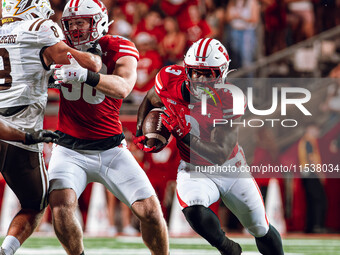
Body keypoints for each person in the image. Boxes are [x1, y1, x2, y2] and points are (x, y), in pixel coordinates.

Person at [134, 38, 284, 255]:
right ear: (187, 70)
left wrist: (183, 134)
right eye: (195, 72)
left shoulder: (230, 97)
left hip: (230, 167)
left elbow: (220, 153)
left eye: (208, 74)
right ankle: (227, 248)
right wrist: (142, 132)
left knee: (259, 227)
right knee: (192, 209)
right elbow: (150, 98)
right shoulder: (169, 79)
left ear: (222, 73)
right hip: (193, 167)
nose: (200, 79)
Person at [49, 1, 169, 254]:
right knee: (60, 206)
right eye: (70, 23)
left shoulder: (119, 46)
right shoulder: (58, 47)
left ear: (98, 21)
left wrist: (87, 76)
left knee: (150, 212)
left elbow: (124, 87)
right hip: (69, 148)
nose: (74, 29)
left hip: (110, 149)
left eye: (81, 22)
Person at [0, 0, 101, 254]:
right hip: (18, 130)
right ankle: (7, 250)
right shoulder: (40, 27)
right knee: (35, 203)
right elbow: (89, 66)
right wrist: (94, 56)